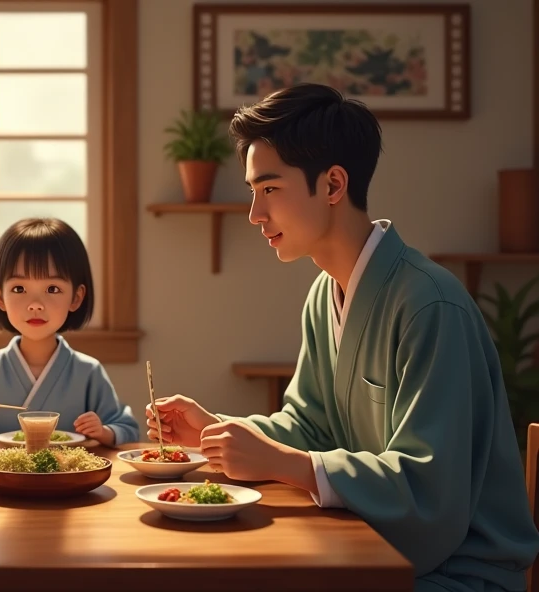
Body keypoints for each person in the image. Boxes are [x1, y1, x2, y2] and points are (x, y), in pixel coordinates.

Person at [145, 83, 539, 592]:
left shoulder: (430, 304)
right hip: (369, 546)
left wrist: (284, 463)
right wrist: (215, 430)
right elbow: (311, 428)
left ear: (333, 184)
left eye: (270, 189)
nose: (255, 214)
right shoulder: (324, 293)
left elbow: (429, 491)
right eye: (252, 192)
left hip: (456, 572)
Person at [0, 218, 138, 446]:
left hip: (68, 469)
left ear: (76, 297)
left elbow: (126, 429)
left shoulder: (88, 371)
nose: (35, 305)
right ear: (0, 297)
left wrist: (102, 431)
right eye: (19, 288)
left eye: (53, 289)